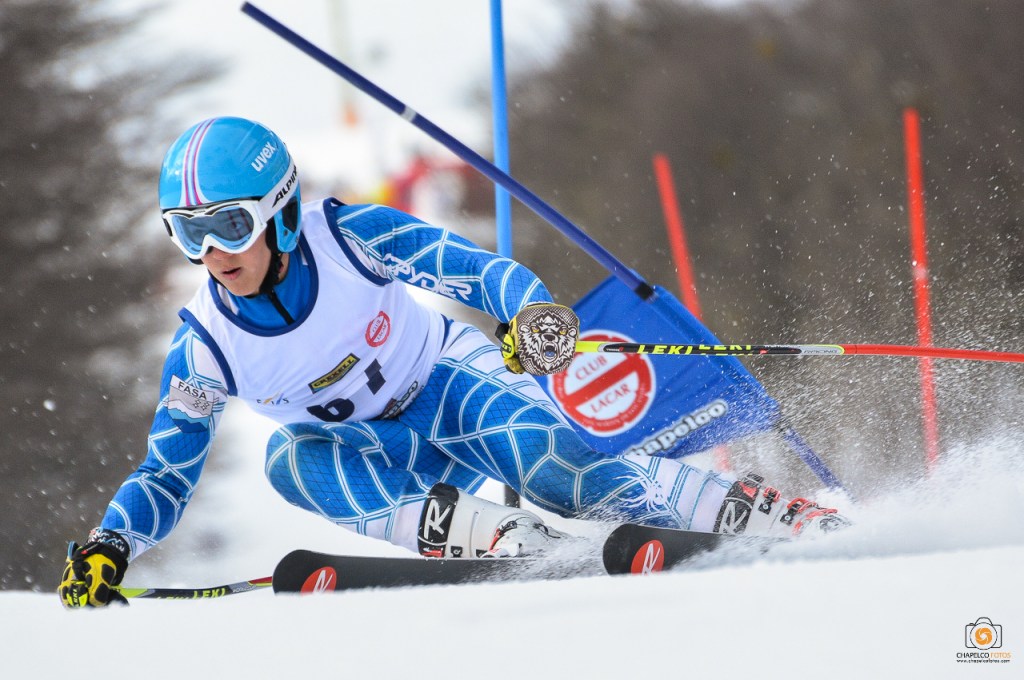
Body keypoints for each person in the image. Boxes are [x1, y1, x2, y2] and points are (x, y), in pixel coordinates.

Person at [59, 116, 848, 608]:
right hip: (379, 458)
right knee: (287, 460)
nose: (212, 253)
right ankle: (499, 539)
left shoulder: (346, 236)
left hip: (450, 389)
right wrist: (110, 544)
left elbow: (470, 268)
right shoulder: (203, 347)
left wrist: (529, 312)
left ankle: (751, 510)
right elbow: (167, 472)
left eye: (229, 225)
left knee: (559, 470)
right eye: (187, 232)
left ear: (282, 212)